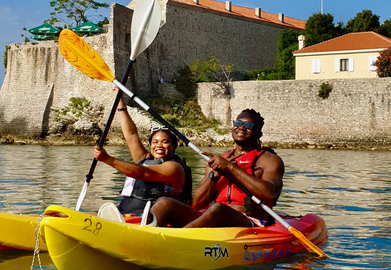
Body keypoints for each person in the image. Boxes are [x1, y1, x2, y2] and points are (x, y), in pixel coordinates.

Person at [151, 108, 284, 228]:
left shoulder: (269, 160)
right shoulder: (218, 160)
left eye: (248, 125)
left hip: (250, 220)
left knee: (218, 209)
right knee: (164, 203)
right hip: (213, 216)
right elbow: (197, 203)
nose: (241, 127)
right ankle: (149, 238)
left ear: (259, 133)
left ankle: (178, 240)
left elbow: (271, 195)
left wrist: (231, 168)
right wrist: (213, 176)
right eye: (237, 124)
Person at [94, 87, 191, 215]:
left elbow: (141, 173)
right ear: (150, 145)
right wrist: (120, 102)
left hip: (147, 219)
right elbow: (131, 134)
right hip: (123, 213)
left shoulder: (174, 167)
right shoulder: (145, 159)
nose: (159, 146)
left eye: (165, 142)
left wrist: (107, 159)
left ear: (173, 146)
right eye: (155, 142)